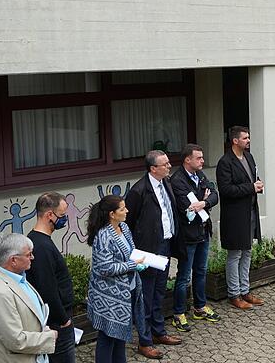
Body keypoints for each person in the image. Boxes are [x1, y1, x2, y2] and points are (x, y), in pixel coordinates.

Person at [125, 150, 183, 359]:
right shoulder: (139, 191)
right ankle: (145, 340)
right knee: (145, 296)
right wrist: (135, 253)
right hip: (147, 251)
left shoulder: (166, 183)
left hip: (166, 245)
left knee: (159, 291)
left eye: (168, 163)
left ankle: (159, 332)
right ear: (153, 168)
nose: (169, 167)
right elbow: (127, 224)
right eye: (165, 164)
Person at [86, 195, 147, 363]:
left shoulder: (124, 228)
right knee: (107, 337)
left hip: (128, 290)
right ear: (112, 214)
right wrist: (132, 265)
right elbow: (104, 268)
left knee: (121, 336)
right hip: (109, 296)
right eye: (122, 209)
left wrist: (142, 260)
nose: (127, 211)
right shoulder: (104, 236)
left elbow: (130, 253)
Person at [0, 233, 58, 362]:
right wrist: (49, 337)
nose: (33, 257)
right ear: (13, 260)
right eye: (28, 255)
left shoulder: (18, 278)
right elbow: (15, 340)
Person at [170, 144, 220, 332]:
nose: (202, 161)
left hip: (203, 231)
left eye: (202, 157)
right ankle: (178, 313)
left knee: (201, 271)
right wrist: (202, 199)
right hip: (188, 236)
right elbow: (186, 207)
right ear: (187, 160)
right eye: (198, 158)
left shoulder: (200, 175)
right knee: (183, 276)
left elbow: (214, 194)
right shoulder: (178, 180)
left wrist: (204, 201)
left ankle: (200, 307)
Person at [216, 126, 265, 310]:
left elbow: (253, 177)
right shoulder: (225, 162)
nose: (248, 140)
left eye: (248, 137)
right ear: (235, 141)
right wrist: (251, 187)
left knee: (247, 251)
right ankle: (234, 294)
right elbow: (226, 190)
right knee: (235, 254)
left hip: (250, 212)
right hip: (235, 216)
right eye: (245, 138)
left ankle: (245, 291)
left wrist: (258, 183)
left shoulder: (249, 157)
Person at [26, 192, 76, 363]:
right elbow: (47, 288)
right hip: (57, 323)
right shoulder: (42, 247)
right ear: (49, 215)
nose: (64, 220)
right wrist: (63, 320)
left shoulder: (38, 240)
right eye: (62, 215)